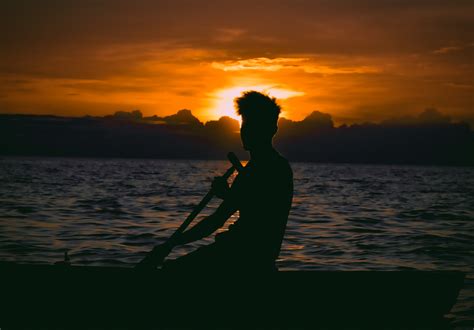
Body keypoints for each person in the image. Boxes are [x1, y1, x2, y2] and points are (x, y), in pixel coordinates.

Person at [138, 91, 293, 272]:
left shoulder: (261, 170)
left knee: (171, 271)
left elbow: (216, 221)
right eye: (244, 124)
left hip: (238, 255)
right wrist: (228, 195)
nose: (245, 131)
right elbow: (256, 205)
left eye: (253, 125)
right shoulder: (276, 167)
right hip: (255, 256)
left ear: (271, 129)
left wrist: (172, 243)